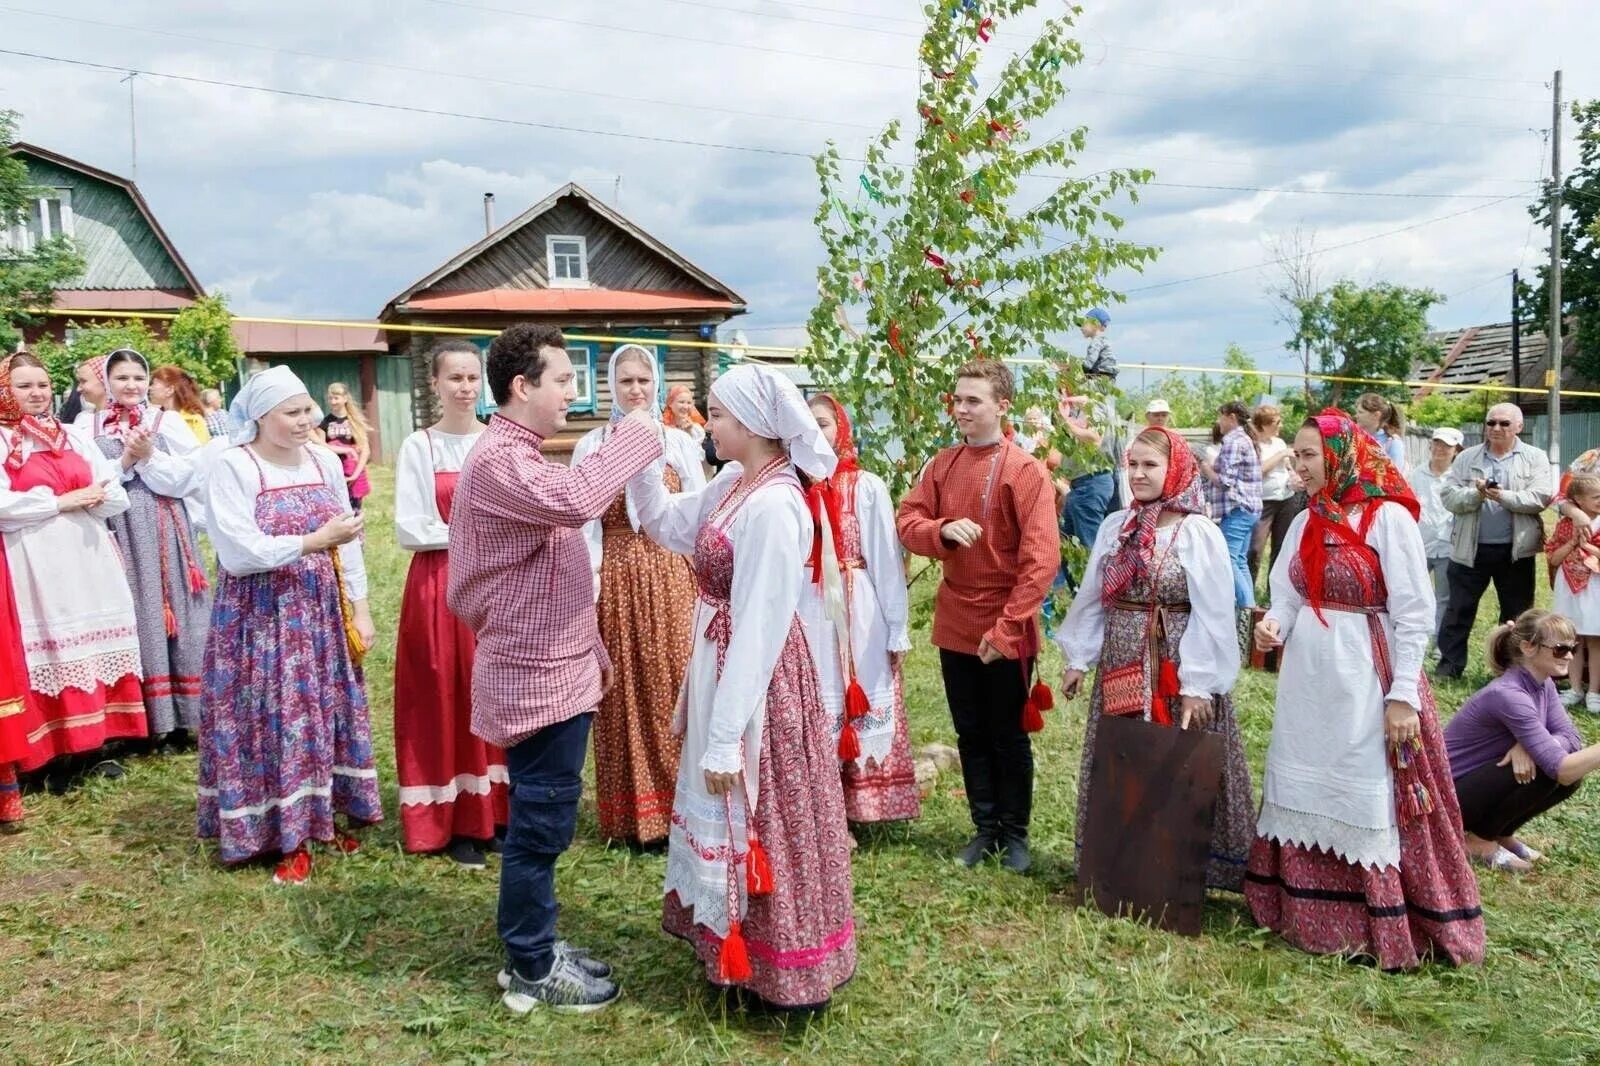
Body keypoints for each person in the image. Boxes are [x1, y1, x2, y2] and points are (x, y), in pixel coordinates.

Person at [448, 323, 662, 1015]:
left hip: (553, 665)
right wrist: (636, 428)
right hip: (534, 673)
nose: (576, 391)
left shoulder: (521, 454)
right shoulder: (500, 462)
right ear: (523, 386)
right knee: (540, 822)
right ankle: (532, 964)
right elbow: (577, 500)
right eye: (565, 379)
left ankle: (534, 943)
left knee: (547, 816)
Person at [627, 363, 855, 1010]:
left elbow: (759, 622)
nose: (709, 423)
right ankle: (733, 952)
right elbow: (668, 528)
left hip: (759, 679)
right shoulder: (733, 482)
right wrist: (644, 465)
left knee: (765, 807)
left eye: (719, 414)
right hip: (720, 663)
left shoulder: (778, 504)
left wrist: (726, 737)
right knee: (732, 810)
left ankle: (784, 968)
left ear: (754, 425)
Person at [1248, 409, 1483, 970]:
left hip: (1367, 673)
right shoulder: (1307, 520)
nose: (1301, 466)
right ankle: (1301, 912)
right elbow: (1287, 593)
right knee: (1307, 777)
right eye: (1298, 455)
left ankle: (1385, 920)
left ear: (1342, 456)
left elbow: (1414, 613)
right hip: (1310, 680)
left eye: (1311, 456)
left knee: (1367, 784)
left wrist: (1402, 695)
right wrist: (1274, 624)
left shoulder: (1386, 518)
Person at [198, 366, 381, 884]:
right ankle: (279, 831)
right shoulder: (234, 466)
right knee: (272, 717)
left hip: (321, 611)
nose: (308, 420)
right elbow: (236, 551)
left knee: (322, 712)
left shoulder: (325, 459)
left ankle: (320, 818)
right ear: (260, 417)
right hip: (260, 617)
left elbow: (348, 538)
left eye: (309, 410)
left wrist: (361, 608)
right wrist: (309, 542)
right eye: (293, 412)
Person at [1058, 426, 1255, 890]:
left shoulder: (1197, 531)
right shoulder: (1116, 526)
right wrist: (1078, 658)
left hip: (1175, 661)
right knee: (1125, 751)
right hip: (1123, 657)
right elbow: (1091, 598)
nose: (1140, 474)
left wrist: (1197, 684)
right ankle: (1122, 861)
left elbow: (1213, 612)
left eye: (1151, 465)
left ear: (1176, 470)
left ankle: (1174, 868)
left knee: (1174, 757)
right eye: (1134, 464)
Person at [897, 359, 1059, 873]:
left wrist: (1008, 628)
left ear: (1002, 406)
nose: (961, 409)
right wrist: (940, 529)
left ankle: (1015, 835)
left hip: (1005, 622)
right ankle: (984, 828)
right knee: (969, 732)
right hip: (955, 620)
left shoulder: (1024, 470)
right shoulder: (942, 464)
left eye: (973, 401)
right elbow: (907, 519)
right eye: (957, 400)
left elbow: (1041, 560)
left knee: (1007, 733)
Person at [571, 345, 703, 847]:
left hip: (670, 574)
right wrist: (590, 589)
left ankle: (682, 810)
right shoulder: (592, 446)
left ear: (657, 384)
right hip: (618, 578)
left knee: (674, 684)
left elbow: (696, 512)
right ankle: (632, 819)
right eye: (626, 381)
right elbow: (585, 528)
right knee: (623, 691)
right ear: (611, 386)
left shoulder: (677, 442)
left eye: (644, 381)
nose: (636, 390)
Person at [0, 353, 145, 780]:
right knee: (50, 644)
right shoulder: (1, 439)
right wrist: (60, 501)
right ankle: (50, 755)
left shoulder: (71, 435)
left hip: (89, 553)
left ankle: (94, 748)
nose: (37, 393)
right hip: (34, 558)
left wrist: (97, 496)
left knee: (91, 643)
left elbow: (112, 489)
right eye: (23, 386)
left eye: (42, 385)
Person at [393, 340, 502, 866]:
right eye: (453, 378)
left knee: (494, 693)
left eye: (471, 376)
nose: (464, 387)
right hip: (440, 585)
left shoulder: (497, 440)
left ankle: (496, 811)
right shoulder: (421, 446)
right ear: (434, 384)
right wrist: (477, 533)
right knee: (444, 692)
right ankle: (454, 821)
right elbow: (410, 528)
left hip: (496, 585)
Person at [804, 393, 920, 825]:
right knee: (815, 698)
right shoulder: (791, 487)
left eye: (824, 424)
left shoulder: (864, 486)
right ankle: (822, 813)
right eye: (808, 424)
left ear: (841, 430)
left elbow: (886, 560)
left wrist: (896, 625)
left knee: (859, 690)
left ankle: (863, 806)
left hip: (856, 606)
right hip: (808, 605)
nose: (816, 433)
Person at [91, 349, 210, 750]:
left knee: (175, 610)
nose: (131, 385)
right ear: (107, 382)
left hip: (164, 529)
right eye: (121, 377)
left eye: (138, 377)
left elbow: (191, 477)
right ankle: (135, 722)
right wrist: (126, 459)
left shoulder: (167, 421)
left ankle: (180, 718)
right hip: (116, 528)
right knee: (132, 614)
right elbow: (93, 482)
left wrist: (149, 458)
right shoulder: (86, 425)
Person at [1444, 610, 1600, 873]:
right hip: (1446, 799)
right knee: (1550, 771)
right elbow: (1561, 768)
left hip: (1474, 786)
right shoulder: (1509, 694)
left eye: (1572, 648)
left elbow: (1572, 738)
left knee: (1567, 774)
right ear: (1528, 647)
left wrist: (1528, 745)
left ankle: (1500, 833)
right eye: (1560, 649)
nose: (1571, 656)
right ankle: (1478, 841)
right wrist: (1543, 748)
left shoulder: (1543, 683)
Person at [1436, 403, 1552, 679]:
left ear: (1519, 428)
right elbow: (1448, 497)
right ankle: (1449, 667)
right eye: (1491, 423)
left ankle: (1512, 671)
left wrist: (1502, 496)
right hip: (1470, 550)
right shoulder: (1467, 458)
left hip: (1515, 551)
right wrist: (1476, 494)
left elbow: (1541, 498)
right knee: (1458, 611)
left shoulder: (1535, 457)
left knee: (1516, 616)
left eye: (1504, 423)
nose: (1496, 428)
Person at [1545, 474, 1600, 713]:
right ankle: (1575, 688)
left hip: (1595, 586)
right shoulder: (1567, 524)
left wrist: (1586, 546)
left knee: (1596, 639)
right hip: (1568, 586)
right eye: (1596, 497)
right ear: (1578, 500)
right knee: (1572, 638)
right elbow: (1554, 558)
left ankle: (1594, 691)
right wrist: (1572, 543)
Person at [1407, 427, 1464, 641]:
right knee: (1415, 594)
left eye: (1446, 446)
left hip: (1448, 546)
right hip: (1419, 544)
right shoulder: (1415, 474)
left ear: (1456, 450)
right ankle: (1414, 637)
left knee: (1444, 597)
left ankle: (1438, 642)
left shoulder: (1459, 477)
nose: (1439, 449)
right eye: (1437, 444)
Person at [1205, 401, 1262, 609]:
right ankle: (1251, 609)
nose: (1218, 422)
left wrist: (1205, 467)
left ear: (1231, 417)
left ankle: (1246, 609)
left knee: (1228, 560)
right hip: (1249, 509)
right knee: (1239, 560)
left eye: (1221, 416)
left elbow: (1224, 481)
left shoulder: (1233, 441)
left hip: (1237, 509)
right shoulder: (1244, 439)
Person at [1248, 404, 1303, 588]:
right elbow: (1258, 471)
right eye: (1277, 422)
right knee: (1255, 549)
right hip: (1263, 503)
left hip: (1285, 500)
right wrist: (1280, 455)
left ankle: (1274, 595)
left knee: (1281, 548)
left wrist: (1294, 477)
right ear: (1264, 425)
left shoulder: (1279, 443)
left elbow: (1287, 467)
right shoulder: (1254, 446)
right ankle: (1249, 593)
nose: (1281, 426)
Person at [318, 382, 372, 514]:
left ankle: (357, 534)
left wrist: (355, 474)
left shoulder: (354, 421)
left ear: (345, 398)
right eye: (330, 398)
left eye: (336, 398)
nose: (333, 401)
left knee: (355, 510)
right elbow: (321, 447)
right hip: (334, 471)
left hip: (352, 471)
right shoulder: (325, 422)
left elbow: (365, 450)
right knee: (336, 510)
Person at [150, 365, 212, 444]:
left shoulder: (194, 421)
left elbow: (201, 453)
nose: (150, 388)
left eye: (153, 384)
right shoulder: (153, 419)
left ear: (170, 390)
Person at [1354, 392, 1408, 472]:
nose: (1356, 416)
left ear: (1376, 415)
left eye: (1361, 412)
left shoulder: (1393, 443)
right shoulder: (1355, 438)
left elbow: (1396, 477)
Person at [69, 357, 107, 434]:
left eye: (83, 381)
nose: (78, 389)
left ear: (104, 380)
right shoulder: (83, 417)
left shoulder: (121, 422)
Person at [1081, 307, 1116, 380]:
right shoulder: (1103, 340)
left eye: (1085, 324)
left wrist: (1077, 369)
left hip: (1101, 379)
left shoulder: (1097, 341)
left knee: (1077, 388)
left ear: (1096, 325)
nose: (1082, 328)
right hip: (1107, 378)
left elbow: (1088, 364)